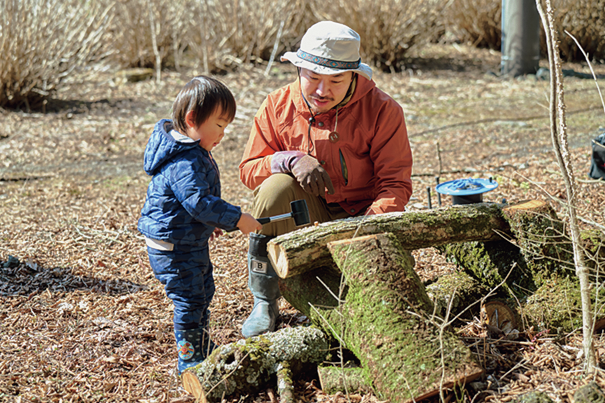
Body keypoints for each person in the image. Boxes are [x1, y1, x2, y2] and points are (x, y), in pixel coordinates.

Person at [238, 21, 413, 338]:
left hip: (361, 218)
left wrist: (365, 228)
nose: (322, 90)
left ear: (354, 76)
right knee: (273, 188)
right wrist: (289, 159)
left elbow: (395, 184)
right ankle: (265, 300)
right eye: (313, 77)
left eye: (336, 80)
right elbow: (249, 171)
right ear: (298, 69)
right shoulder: (276, 106)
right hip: (307, 217)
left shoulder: (383, 110)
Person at [138, 76, 262, 374]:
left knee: (203, 290)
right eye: (219, 125)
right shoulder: (185, 160)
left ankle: (202, 347)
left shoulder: (191, 151)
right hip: (173, 245)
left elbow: (195, 205)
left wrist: (210, 223)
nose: (223, 133)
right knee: (190, 299)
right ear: (193, 119)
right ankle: (190, 359)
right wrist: (236, 218)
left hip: (185, 238)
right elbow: (198, 202)